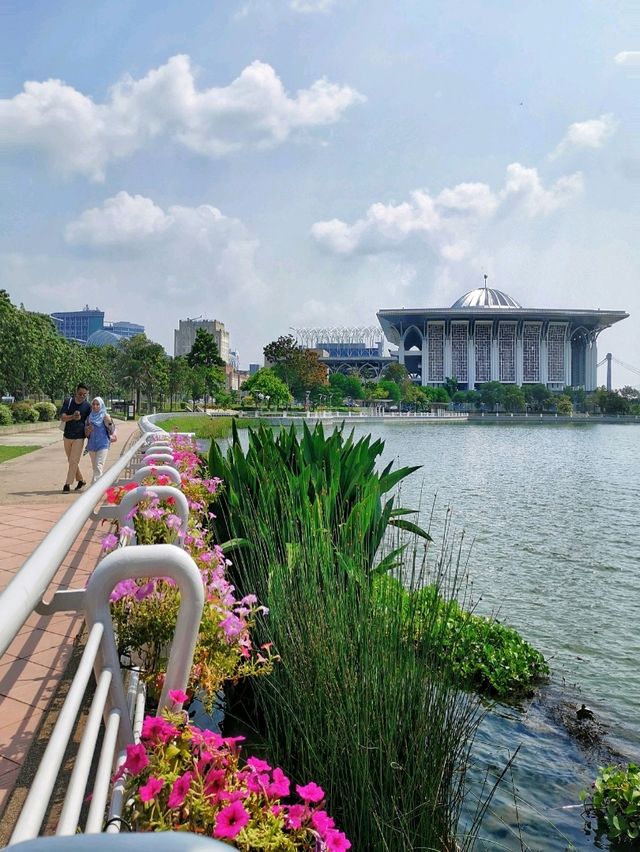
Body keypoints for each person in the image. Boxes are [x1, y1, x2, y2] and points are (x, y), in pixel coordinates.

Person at [60, 383, 91, 492]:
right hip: (67, 436)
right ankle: (81, 480)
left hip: (79, 436)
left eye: (84, 395)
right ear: (76, 392)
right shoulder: (68, 402)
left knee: (73, 460)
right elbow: (63, 418)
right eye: (80, 394)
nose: (82, 396)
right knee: (71, 460)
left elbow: (90, 421)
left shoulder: (87, 406)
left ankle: (67, 484)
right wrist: (72, 416)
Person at [85, 396, 114, 484]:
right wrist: (88, 430)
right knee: (95, 467)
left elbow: (112, 431)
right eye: (93, 404)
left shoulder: (105, 416)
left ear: (101, 405)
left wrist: (109, 422)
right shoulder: (89, 417)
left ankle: (94, 487)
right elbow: (86, 434)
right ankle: (98, 485)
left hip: (103, 444)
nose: (95, 406)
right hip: (92, 446)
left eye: (97, 404)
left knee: (98, 466)